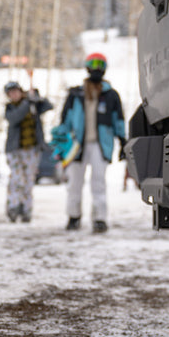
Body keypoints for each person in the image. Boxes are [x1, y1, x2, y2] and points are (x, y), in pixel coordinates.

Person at [52, 53, 126, 233]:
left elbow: (118, 120)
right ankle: (73, 216)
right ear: (86, 67)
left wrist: (123, 141)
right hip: (77, 146)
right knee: (74, 183)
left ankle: (100, 218)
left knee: (98, 183)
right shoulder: (75, 94)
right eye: (92, 64)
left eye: (100, 65)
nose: (96, 68)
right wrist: (60, 144)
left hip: (101, 146)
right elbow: (65, 120)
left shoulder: (111, 95)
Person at [3, 81, 53, 223]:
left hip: (31, 150)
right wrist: (27, 103)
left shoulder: (32, 105)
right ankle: (13, 206)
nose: (14, 95)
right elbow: (14, 118)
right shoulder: (10, 108)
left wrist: (38, 98)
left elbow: (49, 106)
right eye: (10, 93)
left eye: (15, 91)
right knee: (16, 179)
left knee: (28, 180)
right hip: (15, 150)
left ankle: (26, 209)